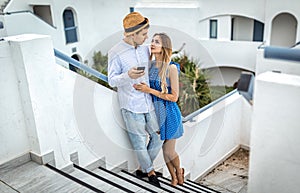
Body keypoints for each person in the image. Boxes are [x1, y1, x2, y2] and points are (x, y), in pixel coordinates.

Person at [107, 12, 163, 187]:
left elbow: (162, 54)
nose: (147, 38)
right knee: (139, 142)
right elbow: (111, 80)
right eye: (144, 34)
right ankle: (150, 172)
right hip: (130, 106)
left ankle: (142, 169)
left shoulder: (145, 48)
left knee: (158, 137)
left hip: (148, 101)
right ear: (133, 34)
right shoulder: (115, 52)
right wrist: (128, 75)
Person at [134, 33, 184, 186]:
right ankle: (173, 177)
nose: (152, 44)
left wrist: (149, 90)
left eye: (157, 42)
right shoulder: (150, 66)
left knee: (169, 151)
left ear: (165, 46)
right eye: (152, 41)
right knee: (163, 150)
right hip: (156, 114)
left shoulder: (171, 68)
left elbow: (174, 97)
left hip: (170, 113)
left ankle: (179, 172)